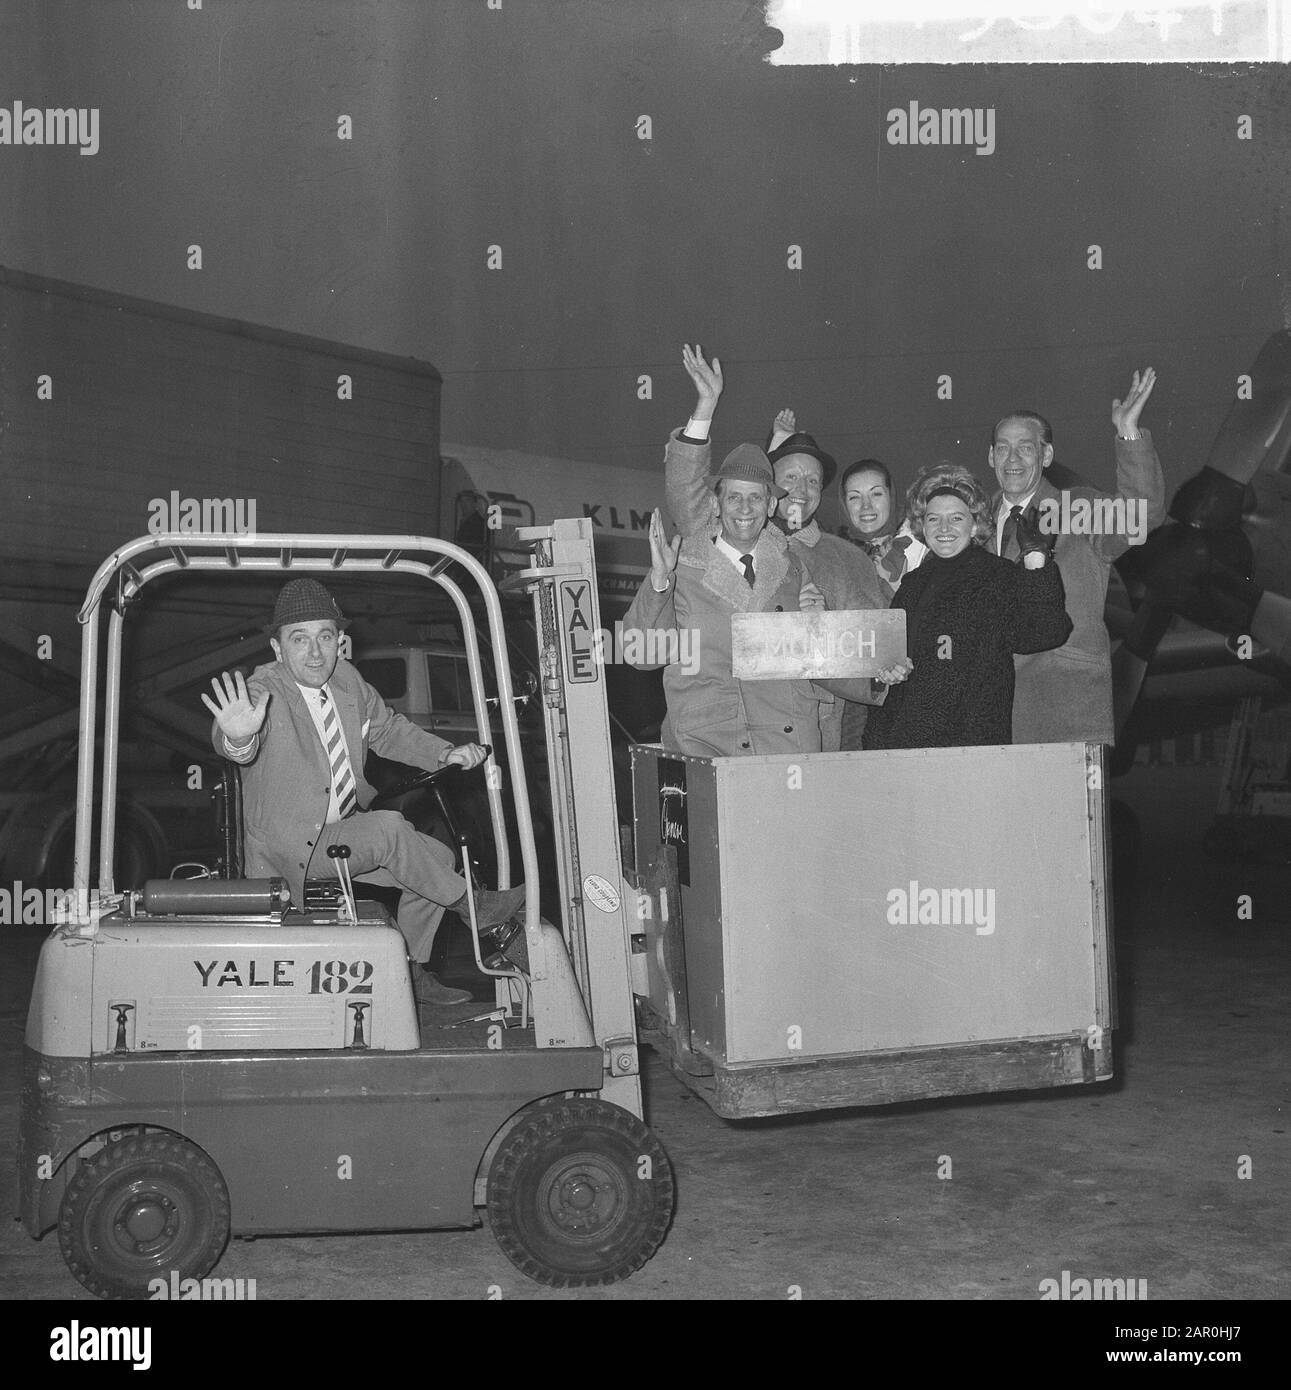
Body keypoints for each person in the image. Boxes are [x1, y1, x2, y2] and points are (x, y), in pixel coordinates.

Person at [202, 578, 525, 1011]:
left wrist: (445, 752)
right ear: (278, 649)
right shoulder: (265, 690)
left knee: (437, 860)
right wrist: (237, 737)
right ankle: (476, 908)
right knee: (391, 829)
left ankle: (409, 972)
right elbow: (235, 740)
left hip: (340, 836)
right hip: (290, 850)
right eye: (299, 639)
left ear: (340, 641)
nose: (315, 652)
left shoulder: (347, 682)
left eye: (325, 637)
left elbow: (388, 730)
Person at [657, 345, 887, 750]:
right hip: (723, 736)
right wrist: (706, 406)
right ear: (771, 492)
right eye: (791, 477)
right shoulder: (720, 537)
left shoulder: (848, 559)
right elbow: (686, 494)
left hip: (811, 739)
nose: (802, 489)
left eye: (813, 481)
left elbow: (880, 654)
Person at [988, 368, 1166, 745]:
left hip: (1066, 707)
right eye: (1003, 447)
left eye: (1026, 446)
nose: (1013, 457)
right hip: (990, 716)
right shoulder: (970, 523)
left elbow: (1143, 514)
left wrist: (1128, 432)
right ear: (990, 457)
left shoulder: (1078, 507)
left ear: (1047, 454)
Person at [623, 446, 823, 757]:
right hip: (709, 746)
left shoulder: (793, 570)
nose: (745, 508)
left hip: (787, 748)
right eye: (734, 497)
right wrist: (660, 581)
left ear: (771, 505)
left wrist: (818, 620)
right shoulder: (682, 569)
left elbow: (816, 656)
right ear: (716, 505)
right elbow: (642, 653)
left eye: (756, 497)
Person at [862, 465, 1073, 750]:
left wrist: (1036, 559)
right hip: (905, 747)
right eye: (934, 519)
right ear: (922, 527)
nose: (944, 528)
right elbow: (892, 663)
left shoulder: (997, 576)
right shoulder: (912, 585)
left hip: (969, 747)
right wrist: (888, 672)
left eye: (956, 518)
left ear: (974, 525)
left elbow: (1046, 632)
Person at [838, 457, 927, 595]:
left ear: (890, 497)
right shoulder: (834, 554)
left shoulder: (921, 546)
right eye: (854, 497)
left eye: (876, 494)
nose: (866, 505)